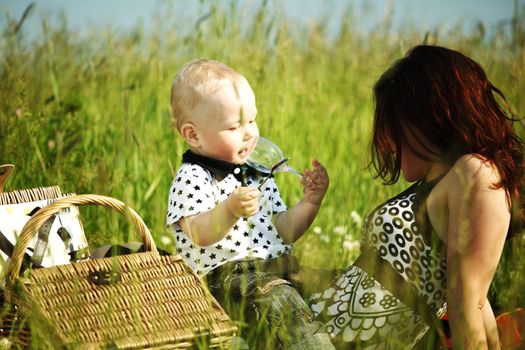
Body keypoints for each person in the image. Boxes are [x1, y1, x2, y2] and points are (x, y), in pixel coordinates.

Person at [309, 45, 524, 349]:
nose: (387, 144)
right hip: (315, 327)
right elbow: (475, 301)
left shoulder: (476, 172)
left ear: (430, 117)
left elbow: (469, 303)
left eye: (393, 127)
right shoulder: (446, 180)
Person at [166, 58, 335, 349]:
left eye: (252, 120)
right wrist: (229, 210)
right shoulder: (194, 176)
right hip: (227, 281)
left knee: (330, 286)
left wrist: (311, 202)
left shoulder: (256, 172)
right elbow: (198, 232)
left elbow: (284, 230)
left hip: (277, 269)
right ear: (193, 134)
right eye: (234, 127)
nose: (249, 133)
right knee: (281, 303)